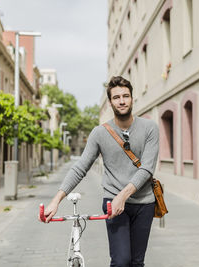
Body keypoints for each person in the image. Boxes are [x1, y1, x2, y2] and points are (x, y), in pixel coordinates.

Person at [43, 76, 159, 267]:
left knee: (137, 263)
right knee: (121, 261)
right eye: (116, 97)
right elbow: (80, 167)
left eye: (126, 96)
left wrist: (123, 196)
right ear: (110, 102)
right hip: (113, 203)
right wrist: (56, 200)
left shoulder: (150, 128)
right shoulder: (99, 133)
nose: (122, 101)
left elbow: (147, 168)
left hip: (143, 203)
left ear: (132, 98)